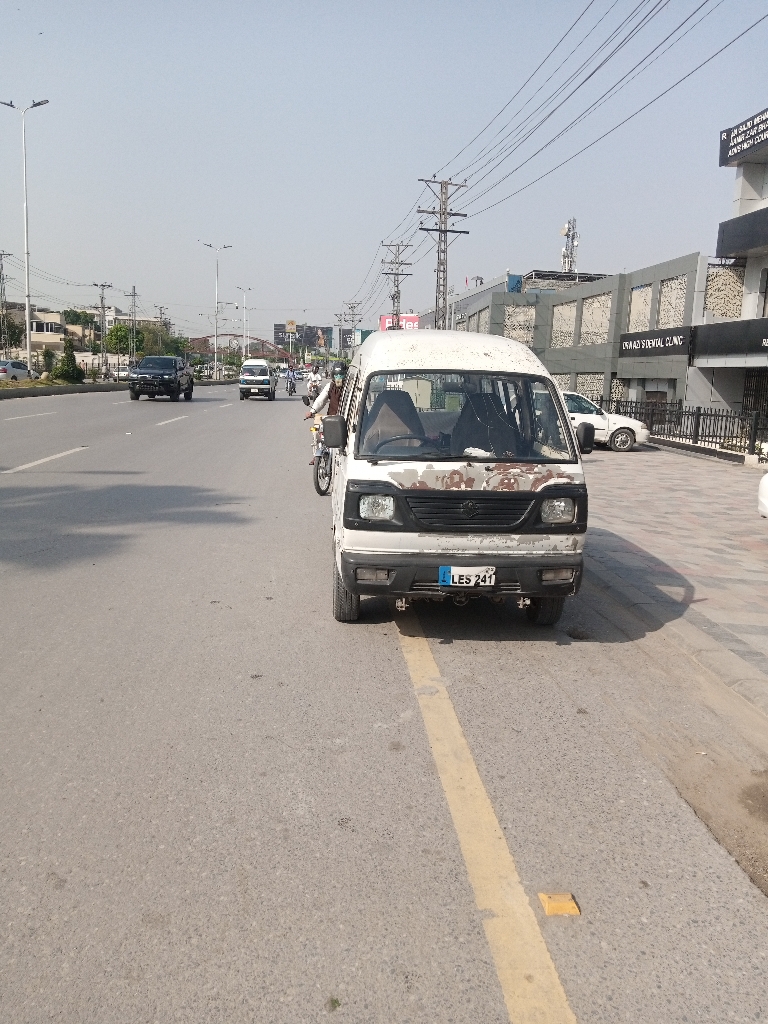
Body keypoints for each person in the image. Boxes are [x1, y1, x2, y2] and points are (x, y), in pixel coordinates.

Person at [304, 361, 346, 465]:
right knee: (317, 431)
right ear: (333, 376)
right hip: (331, 418)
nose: (338, 378)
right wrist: (312, 411)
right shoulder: (329, 386)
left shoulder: (350, 387)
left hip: (346, 419)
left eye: (341, 375)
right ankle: (317, 455)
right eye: (336, 375)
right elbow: (321, 400)